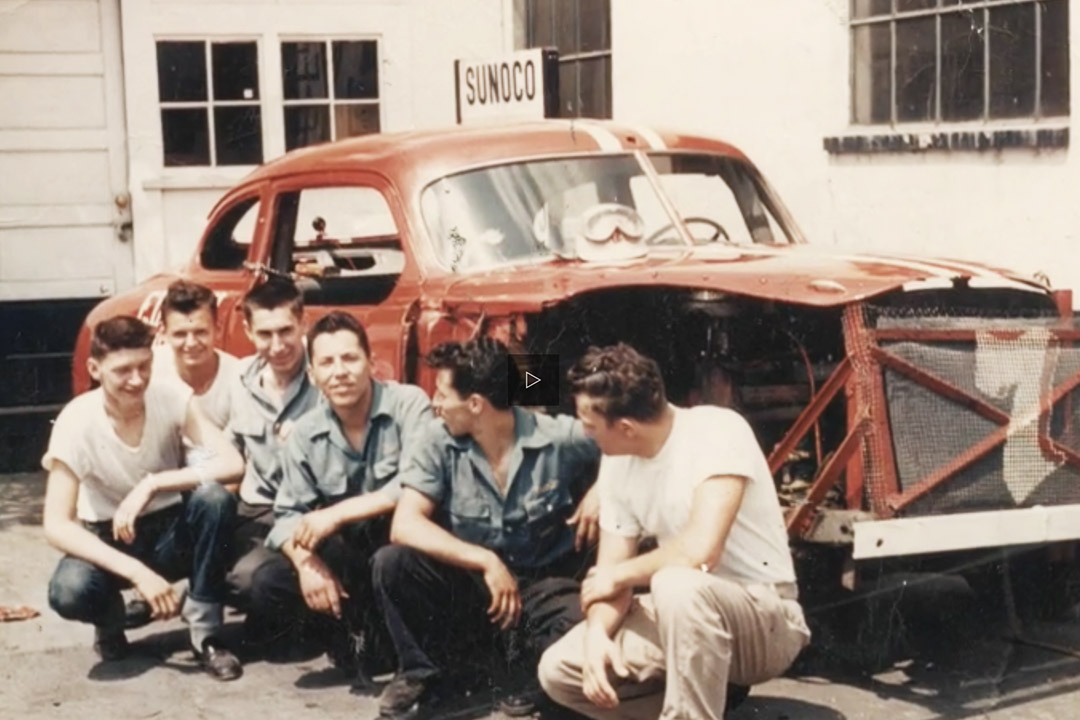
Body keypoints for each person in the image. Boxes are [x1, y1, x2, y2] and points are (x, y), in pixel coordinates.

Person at [538, 343, 812, 720]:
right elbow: (609, 579)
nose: (586, 435)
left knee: (676, 583)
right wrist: (598, 633)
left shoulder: (717, 430)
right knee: (560, 670)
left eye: (590, 427)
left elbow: (700, 551)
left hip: (766, 620)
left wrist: (617, 575)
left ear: (627, 428)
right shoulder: (618, 463)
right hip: (686, 620)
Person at [372, 338, 601, 719]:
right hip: (476, 586)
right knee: (392, 562)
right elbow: (405, 523)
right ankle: (426, 671)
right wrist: (484, 560)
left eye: (443, 394)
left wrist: (604, 489)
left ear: (476, 404)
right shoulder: (437, 438)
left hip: (541, 585)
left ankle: (536, 681)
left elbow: (627, 442)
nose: (435, 403)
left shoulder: (557, 436)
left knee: (578, 619)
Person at [43, 316, 245, 680]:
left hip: (168, 530)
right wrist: (138, 574)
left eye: (144, 366)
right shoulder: (76, 420)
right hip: (109, 539)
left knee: (214, 500)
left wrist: (154, 483)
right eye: (122, 370)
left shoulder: (169, 397)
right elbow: (56, 524)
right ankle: (110, 621)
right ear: (95, 368)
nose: (137, 380)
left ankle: (206, 634)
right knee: (68, 590)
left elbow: (232, 463)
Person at [248, 311, 433, 684]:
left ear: (372, 363)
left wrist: (336, 514)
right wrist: (306, 566)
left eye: (350, 358)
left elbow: (421, 482)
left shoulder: (408, 404)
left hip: (404, 544)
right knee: (268, 582)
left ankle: (405, 651)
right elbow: (286, 516)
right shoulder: (305, 434)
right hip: (351, 556)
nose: (340, 371)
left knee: (389, 560)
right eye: (327, 362)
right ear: (313, 376)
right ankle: (353, 635)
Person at [226, 277, 321, 605]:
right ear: (248, 331)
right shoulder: (239, 381)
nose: (277, 346)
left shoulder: (326, 375)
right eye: (265, 334)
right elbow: (225, 449)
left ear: (303, 324)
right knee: (239, 580)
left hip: (315, 512)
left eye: (286, 331)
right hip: (259, 513)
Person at [152, 279, 240, 437]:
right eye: (180, 334)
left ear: (217, 330)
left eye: (200, 332)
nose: (191, 343)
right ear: (164, 334)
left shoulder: (239, 378)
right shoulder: (148, 370)